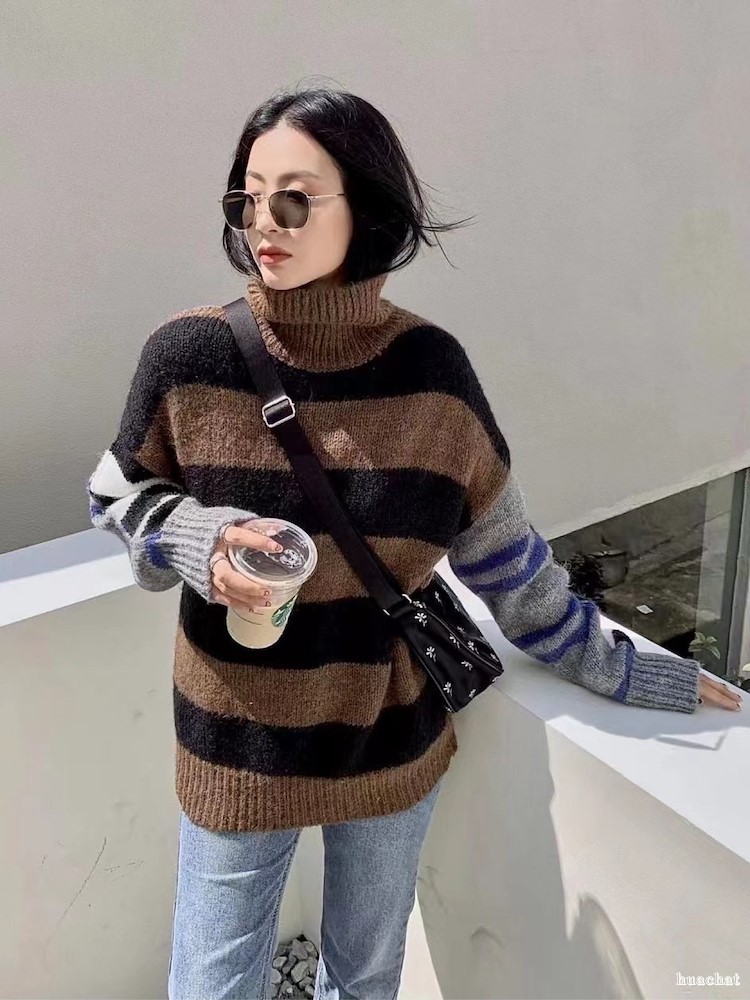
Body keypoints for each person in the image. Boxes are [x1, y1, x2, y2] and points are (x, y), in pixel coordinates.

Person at [86, 86, 742, 1000]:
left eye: (294, 199)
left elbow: (512, 570)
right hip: (235, 739)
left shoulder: (433, 374)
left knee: (365, 976)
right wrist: (199, 537)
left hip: (389, 740)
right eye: (248, 197)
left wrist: (637, 670)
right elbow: (117, 493)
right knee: (209, 981)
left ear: (367, 208)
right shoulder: (189, 356)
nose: (263, 222)